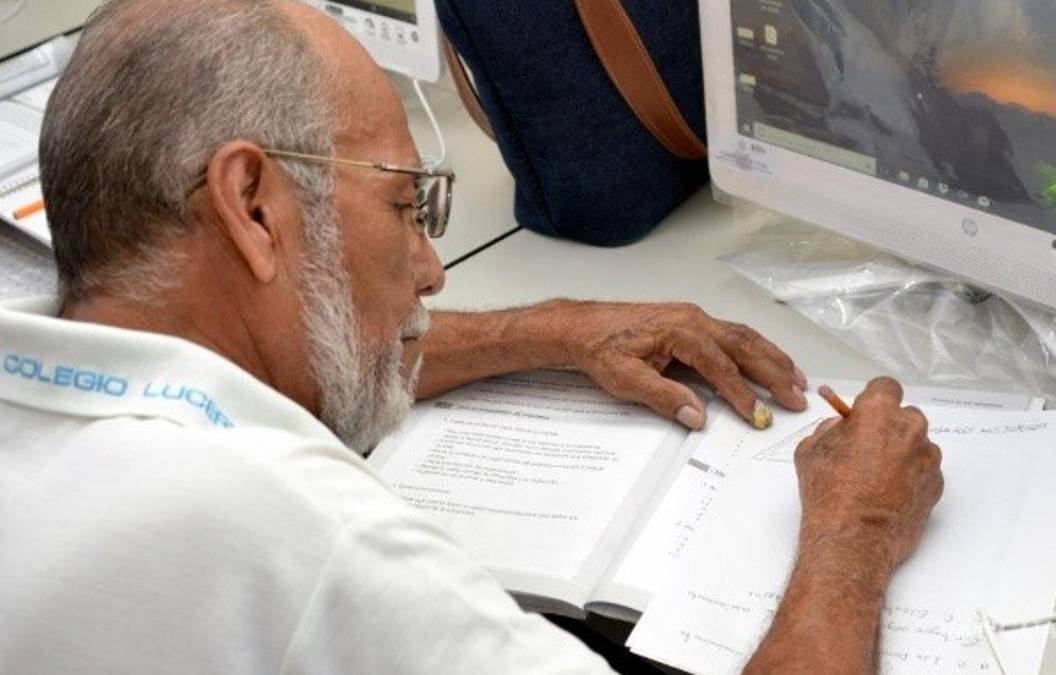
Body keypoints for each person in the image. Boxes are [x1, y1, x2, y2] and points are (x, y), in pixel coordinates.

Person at [0, 1, 944, 673]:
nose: (430, 268)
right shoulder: (318, 542)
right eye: (404, 205)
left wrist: (554, 330)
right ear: (252, 206)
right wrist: (854, 532)